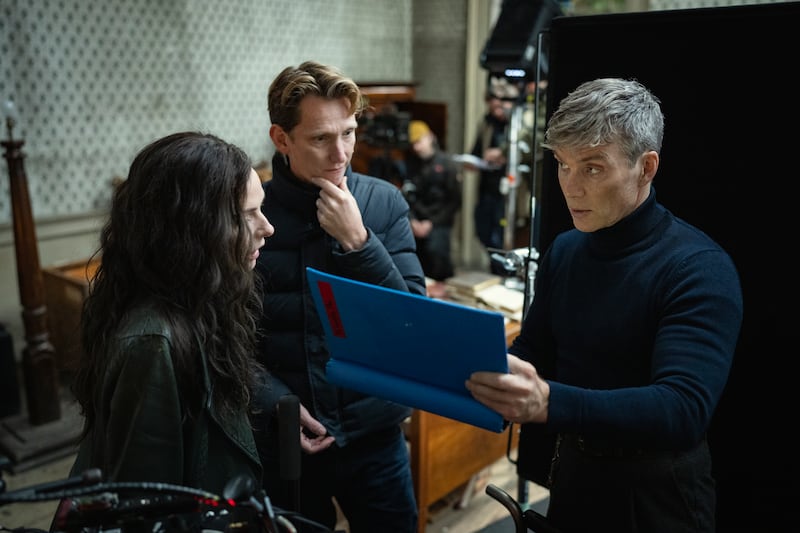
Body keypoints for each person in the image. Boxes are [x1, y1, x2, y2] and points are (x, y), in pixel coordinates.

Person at [465, 78, 743, 533]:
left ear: (646, 167)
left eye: (592, 168)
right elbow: (536, 349)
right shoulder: (567, 250)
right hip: (575, 473)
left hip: (657, 496)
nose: (570, 187)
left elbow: (682, 408)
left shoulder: (698, 268)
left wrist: (550, 401)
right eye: (562, 165)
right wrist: (481, 360)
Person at [252, 61, 425, 533]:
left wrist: (359, 243)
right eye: (321, 138)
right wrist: (275, 403)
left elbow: (411, 321)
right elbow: (225, 338)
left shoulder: (383, 203)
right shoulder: (251, 214)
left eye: (348, 133)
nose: (341, 153)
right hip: (285, 438)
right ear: (281, 139)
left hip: (374, 436)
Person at [66, 132, 275, 496]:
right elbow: (148, 505)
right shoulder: (151, 342)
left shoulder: (200, 299)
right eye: (247, 215)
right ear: (195, 228)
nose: (267, 228)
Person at [403, 120, 461, 292]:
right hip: (415, 222)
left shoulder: (447, 164)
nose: (417, 147)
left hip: (438, 223)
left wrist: (432, 222)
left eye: (419, 142)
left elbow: (455, 201)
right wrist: (412, 220)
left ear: (430, 138)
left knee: (438, 257)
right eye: (413, 144)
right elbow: (406, 196)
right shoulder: (411, 164)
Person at [469, 76, 517, 275]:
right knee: (483, 231)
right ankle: (495, 271)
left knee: (502, 236)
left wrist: (503, 154)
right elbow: (477, 150)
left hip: (510, 191)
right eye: (492, 103)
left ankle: (506, 274)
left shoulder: (518, 124)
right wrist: (472, 161)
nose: (496, 107)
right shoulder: (486, 122)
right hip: (487, 187)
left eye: (500, 103)